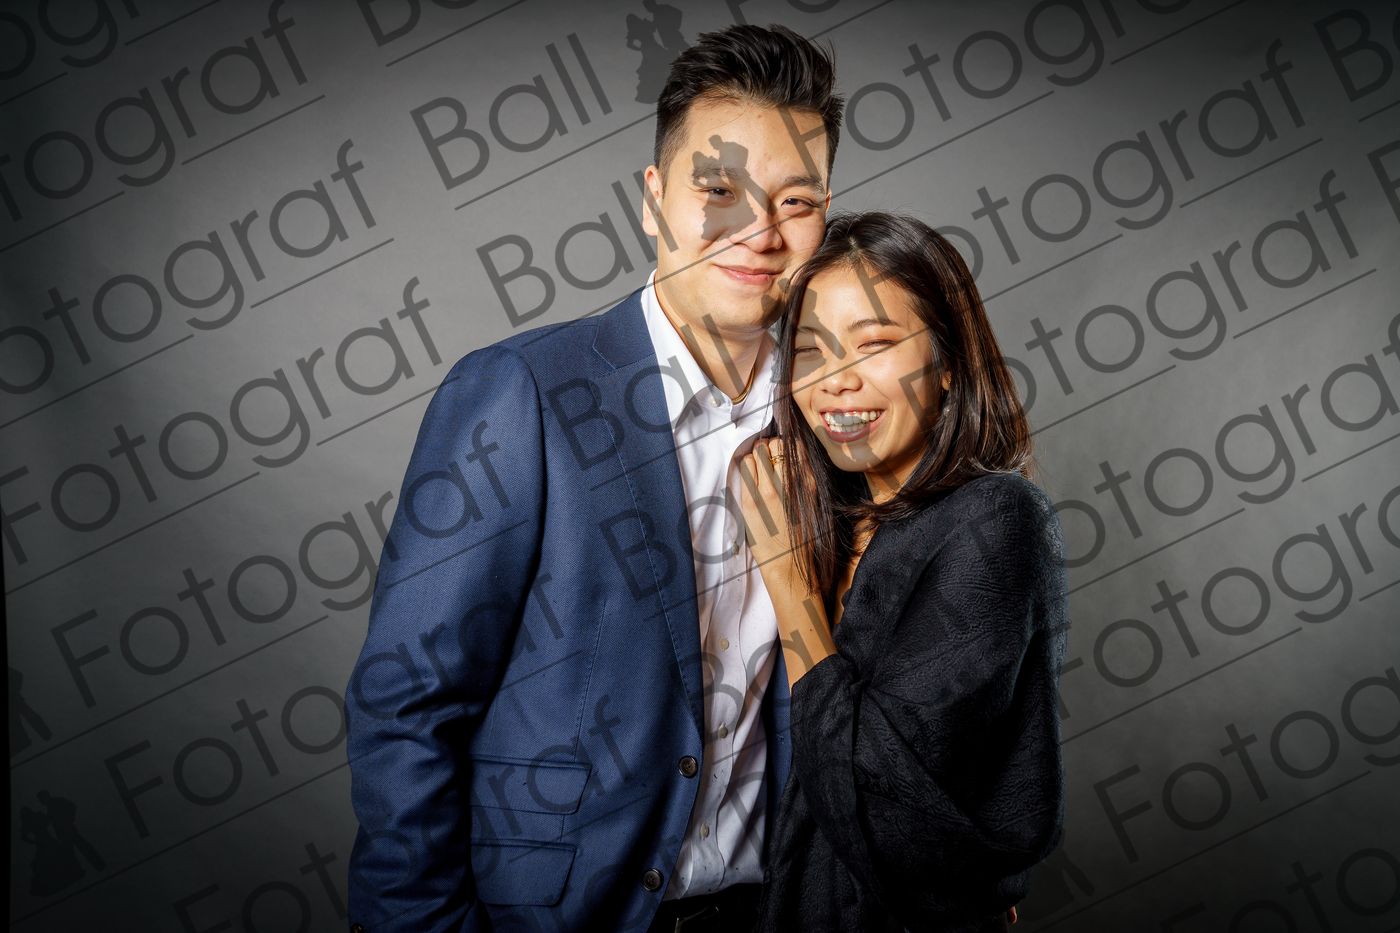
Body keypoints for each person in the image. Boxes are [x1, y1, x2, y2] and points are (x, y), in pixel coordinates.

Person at [344, 24, 844, 933]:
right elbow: (407, 703)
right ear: (653, 200)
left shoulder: (834, 419)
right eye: (718, 190)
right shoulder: (522, 392)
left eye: (796, 200)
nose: (759, 232)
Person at [737, 212, 1069, 932]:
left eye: (876, 344)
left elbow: (884, 815)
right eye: (810, 351)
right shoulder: (827, 520)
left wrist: (791, 590)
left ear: (948, 362)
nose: (836, 382)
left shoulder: (993, 520)